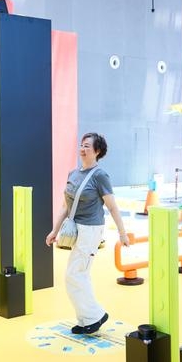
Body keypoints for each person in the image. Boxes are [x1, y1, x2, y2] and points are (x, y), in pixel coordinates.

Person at [46, 132, 130, 334]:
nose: (82, 149)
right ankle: (85, 320)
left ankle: (95, 316)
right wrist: (54, 230)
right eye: (81, 145)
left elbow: (112, 207)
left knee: (75, 274)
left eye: (87, 146)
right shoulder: (73, 174)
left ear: (97, 151)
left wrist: (122, 233)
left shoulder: (100, 176)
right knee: (79, 274)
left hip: (91, 229)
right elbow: (65, 206)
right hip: (75, 228)